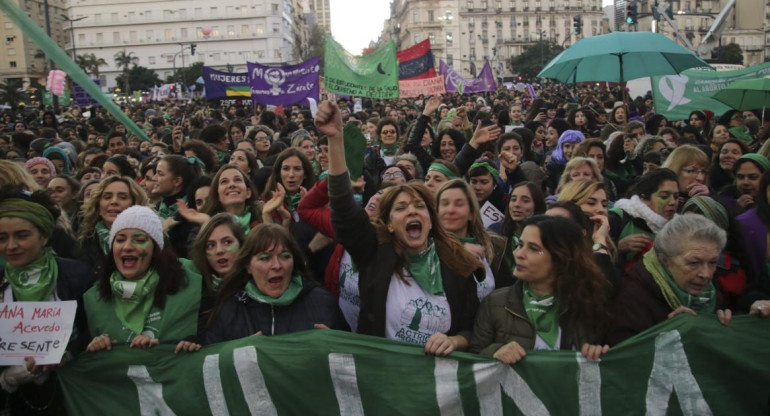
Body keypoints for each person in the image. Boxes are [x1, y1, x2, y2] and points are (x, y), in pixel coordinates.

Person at [320, 100, 482, 355]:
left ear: (430, 219)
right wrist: (335, 140)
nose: (412, 211)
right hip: (386, 379)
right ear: (390, 225)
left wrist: (455, 342)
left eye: (419, 205)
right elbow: (342, 209)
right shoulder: (375, 252)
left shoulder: (456, 261)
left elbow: (472, 328)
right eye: (401, 208)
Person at [0, 189, 92, 415]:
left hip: (70, 392)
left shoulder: (77, 275)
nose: (11, 246)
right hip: (14, 400)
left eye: (22, 235)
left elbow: (94, 329)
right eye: (2, 237)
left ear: (44, 236)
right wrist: (7, 378)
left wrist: (68, 353)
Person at [469, 216, 610, 363]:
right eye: (520, 245)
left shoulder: (587, 303)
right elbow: (473, 357)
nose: (519, 254)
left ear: (560, 257)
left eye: (534, 248)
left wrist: (596, 352)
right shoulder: (496, 303)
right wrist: (495, 351)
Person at [84, 206, 203, 353]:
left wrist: (198, 340)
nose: (127, 247)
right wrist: (97, 346)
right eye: (120, 240)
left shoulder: (188, 275)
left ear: (155, 249)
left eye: (139, 240)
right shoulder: (94, 297)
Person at [202, 224, 346, 343]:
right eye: (265, 258)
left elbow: (351, 358)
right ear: (248, 266)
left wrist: (337, 345)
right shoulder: (229, 309)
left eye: (285, 256)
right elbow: (212, 362)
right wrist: (236, 352)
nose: (277, 265)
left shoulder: (321, 302)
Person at [607, 215, 731, 345]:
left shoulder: (713, 295)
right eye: (694, 263)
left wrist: (726, 325)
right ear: (664, 260)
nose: (706, 274)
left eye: (713, 262)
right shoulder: (632, 297)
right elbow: (625, 354)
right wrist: (669, 331)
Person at [436, 179, 514, 296]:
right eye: (445, 203)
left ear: (471, 213)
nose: (450, 210)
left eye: (459, 204)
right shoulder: (428, 250)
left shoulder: (495, 246)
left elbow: (507, 292)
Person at [609, 168, 680, 271]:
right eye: (664, 196)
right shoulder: (617, 218)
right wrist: (618, 248)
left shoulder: (680, 229)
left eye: (676, 197)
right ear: (644, 198)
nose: (673, 202)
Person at [78, 176, 150, 272]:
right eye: (107, 197)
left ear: (135, 204)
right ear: (98, 207)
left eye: (123, 197)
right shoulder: (83, 242)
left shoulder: (152, 237)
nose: (114, 201)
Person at [661, 144, 710, 211]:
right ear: (674, 170)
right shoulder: (657, 200)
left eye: (703, 172)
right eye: (691, 171)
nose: (700, 178)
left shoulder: (710, 198)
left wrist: (707, 202)